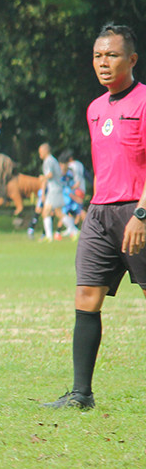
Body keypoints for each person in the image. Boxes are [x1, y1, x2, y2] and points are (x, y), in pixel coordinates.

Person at [44, 23, 146, 410]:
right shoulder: (94, 109)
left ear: (132, 60)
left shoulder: (144, 102)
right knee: (86, 296)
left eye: (112, 55)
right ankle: (81, 394)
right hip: (100, 214)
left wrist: (141, 213)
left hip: (138, 212)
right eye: (98, 56)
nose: (104, 63)